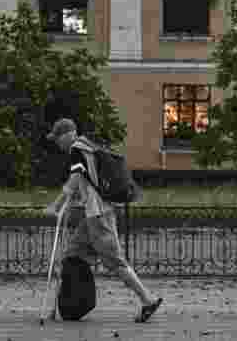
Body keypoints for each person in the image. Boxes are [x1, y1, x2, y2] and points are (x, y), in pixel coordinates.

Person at [45, 118, 162, 323]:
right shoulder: (88, 147)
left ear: (67, 134)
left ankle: (147, 300)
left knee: (114, 261)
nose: (57, 143)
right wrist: (73, 204)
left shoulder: (76, 149)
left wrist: (56, 205)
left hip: (99, 215)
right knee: (73, 253)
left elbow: (74, 180)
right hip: (92, 214)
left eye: (57, 138)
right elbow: (86, 182)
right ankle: (71, 304)